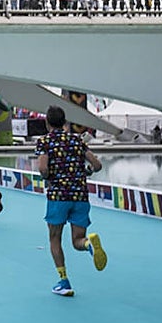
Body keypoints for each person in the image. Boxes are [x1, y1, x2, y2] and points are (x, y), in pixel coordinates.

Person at [36, 104, 108, 297]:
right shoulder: (77, 140)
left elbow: (43, 169)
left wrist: (50, 178)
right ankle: (88, 244)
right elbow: (97, 165)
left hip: (58, 196)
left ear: (47, 122)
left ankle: (64, 281)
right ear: (65, 121)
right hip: (80, 196)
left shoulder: (44, 141)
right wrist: (83, 173)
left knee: (54, 238)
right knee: (77, 240)